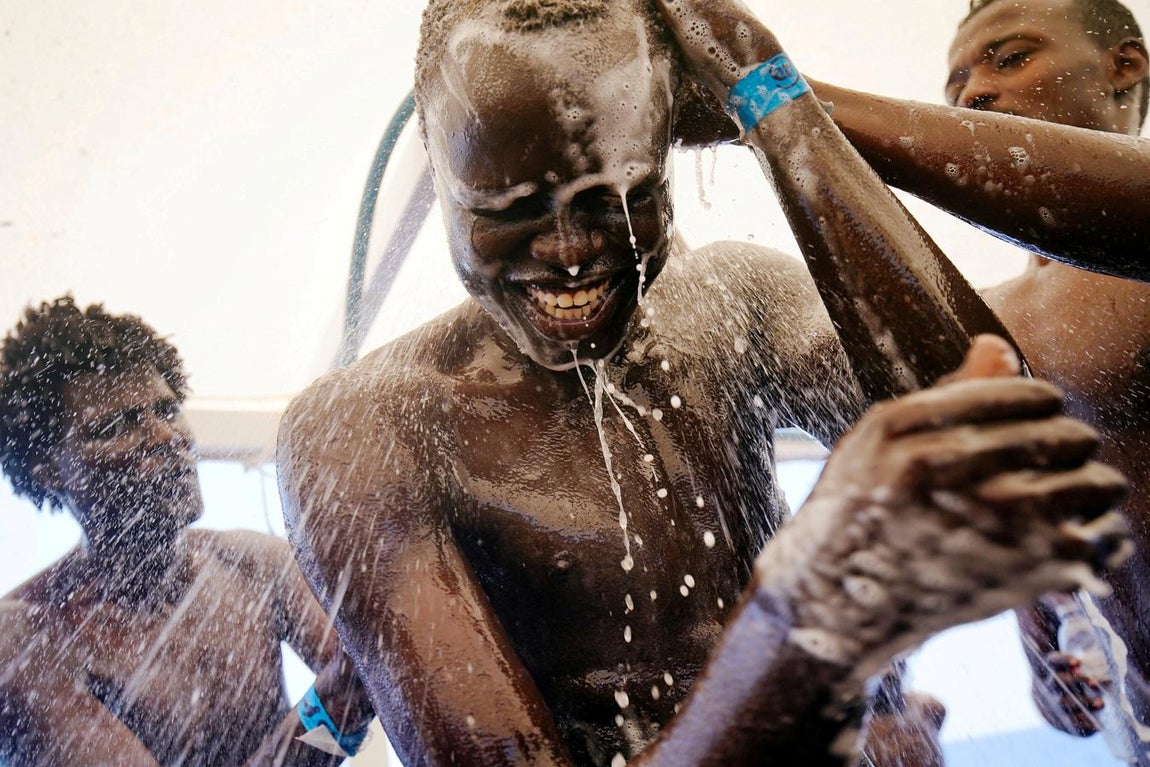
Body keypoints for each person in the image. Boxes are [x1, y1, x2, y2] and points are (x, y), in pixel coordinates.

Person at [277, 1, 1129, 764]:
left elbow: (983, 414)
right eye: (507, 213)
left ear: (667, 147)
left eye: (623, 196)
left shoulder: (731, 304)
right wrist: (802, 622)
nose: (572, 251)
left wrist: (772, 97)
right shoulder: (369, 424)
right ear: (436, 157)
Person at [739, 0, 1150, 754]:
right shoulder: (993, 316)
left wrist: (770, 93)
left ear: (1127, 66)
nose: (974, 94)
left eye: (1010, 57)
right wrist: (1046, 647)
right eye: (957, 83)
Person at [0, 296, 374, 766]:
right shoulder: (24, 641)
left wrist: (339, 708)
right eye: (116, 425)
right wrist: (335, 706)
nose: (164, 438)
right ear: (48, 469)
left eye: (167, 409)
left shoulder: (254, 564)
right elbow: (349, 692)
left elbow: (368, 681)